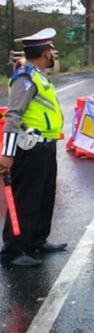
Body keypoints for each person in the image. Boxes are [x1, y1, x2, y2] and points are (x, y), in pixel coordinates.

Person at [0, 28, 67, 267]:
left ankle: (37, 239)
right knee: (26, 198)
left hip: (45, 147)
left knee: (44, 196)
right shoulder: (25, 78)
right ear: (44, 52)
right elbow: (13, 115)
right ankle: (13, 250)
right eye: (51, 51)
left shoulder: (39, 76)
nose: (53, 55)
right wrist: (7, 154)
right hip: (29, 148)